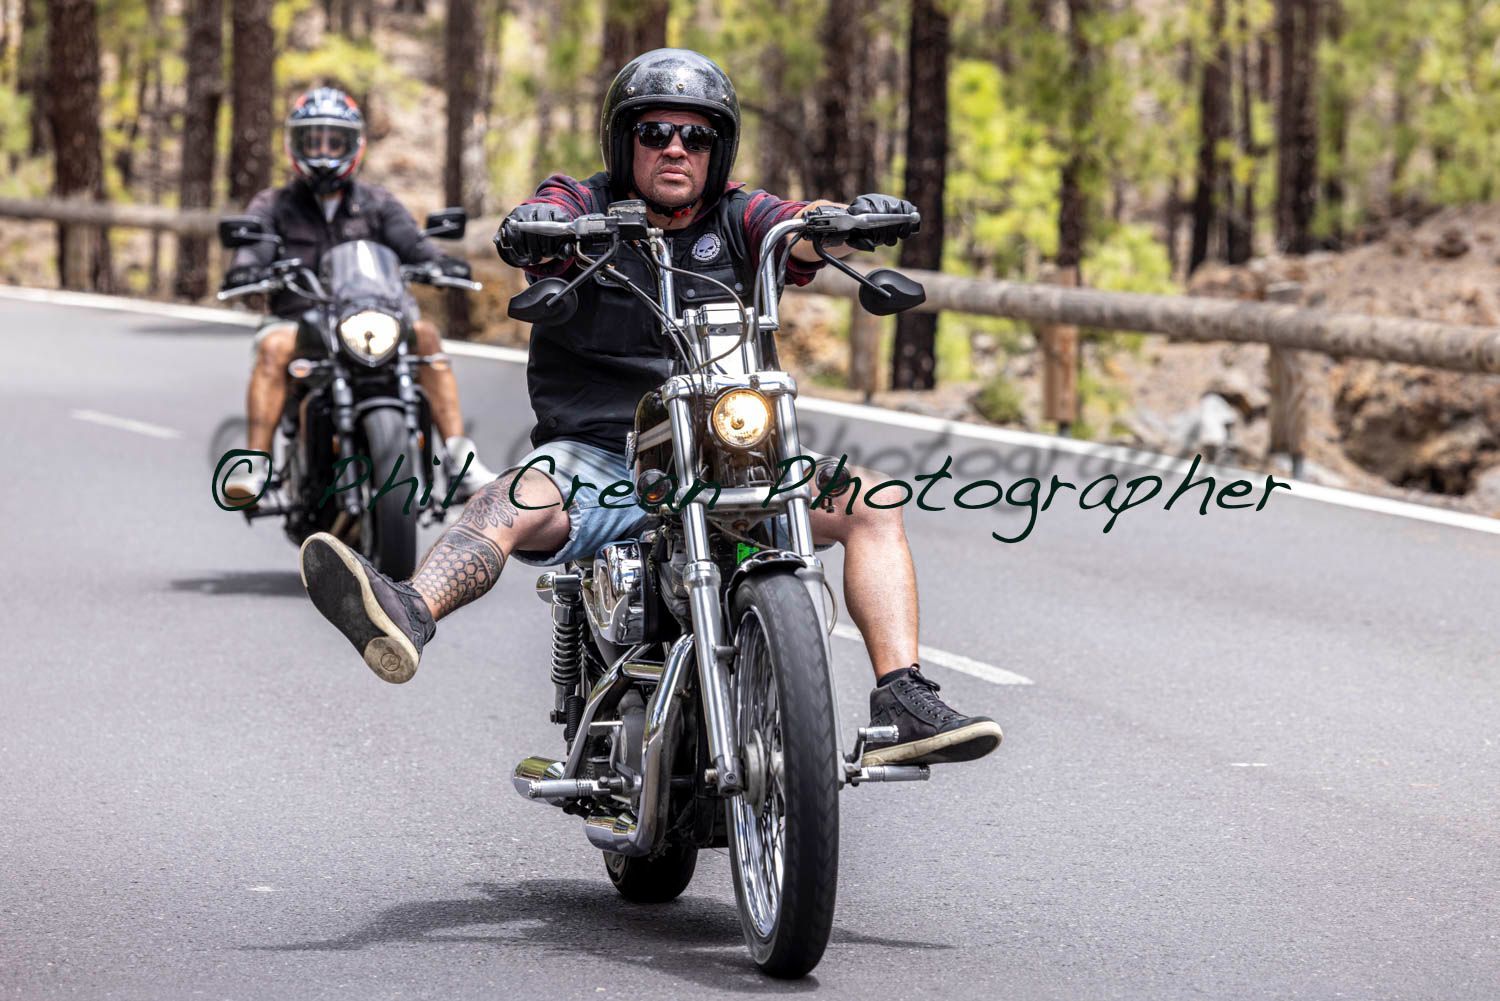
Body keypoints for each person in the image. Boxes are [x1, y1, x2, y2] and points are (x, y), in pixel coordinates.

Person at [297, 51, 1001, 767]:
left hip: (732, 454)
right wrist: (535, 225)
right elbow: (543, 220)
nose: (675, 148)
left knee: (873, 499)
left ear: (716, 150)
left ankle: (902, 698)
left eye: (695, 137)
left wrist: (847, 225)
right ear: (625, 139)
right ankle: (410, 612)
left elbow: (799, 224)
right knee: (505, 500)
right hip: (603, 454)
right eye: (657, 131)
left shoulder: (740, 217)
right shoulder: (581, 204)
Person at [220, 85, 493, 506]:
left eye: (334, 139)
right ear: (296, 144)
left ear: (355, 145)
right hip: (302, 322)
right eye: (314, 139)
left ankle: (460, 460)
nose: (324, 149)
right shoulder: (273, 204)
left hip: (372, 318)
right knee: (273, 346)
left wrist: (440, 263)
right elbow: (250, 249)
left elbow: (415, 246)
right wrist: (248, 270)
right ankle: (256, 463)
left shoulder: (378, 204)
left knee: (425, 337)